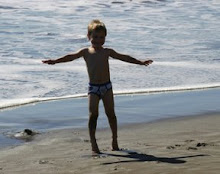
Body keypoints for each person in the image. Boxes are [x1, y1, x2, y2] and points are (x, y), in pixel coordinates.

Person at [42, 19, 153, 155]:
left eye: (101, 37)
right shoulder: (85, 52)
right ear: (89, 36)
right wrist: (55, 61)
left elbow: (124, 57)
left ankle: (114, 141)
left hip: (107, 87)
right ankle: (94, 144)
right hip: (93, 88)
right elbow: (70, 57)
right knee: (93, 115)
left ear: (105, 38)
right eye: (95, 37)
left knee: (111, 114)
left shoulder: (107, 52)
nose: (98, 40)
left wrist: (140, 62)